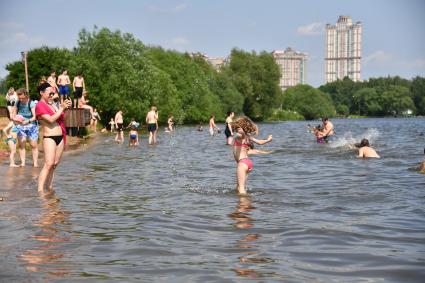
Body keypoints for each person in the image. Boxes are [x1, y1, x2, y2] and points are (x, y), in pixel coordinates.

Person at [35, 82, 71, 193]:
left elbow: (63, 119)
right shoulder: (39, 105)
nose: (51, 95)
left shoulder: (53, 105)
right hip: (49, 137)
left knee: (54, 165)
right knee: (49, 163)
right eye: (49, 93)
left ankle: (49, 188)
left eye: (53, 93)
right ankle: (40, 190)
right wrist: (61, 108)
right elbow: (50, 119)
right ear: (41, 93)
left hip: (60, 137)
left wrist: (66, 108)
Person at [232, 116, 273, 195]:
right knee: (239, 187)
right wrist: (268, 140)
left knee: (241, 188)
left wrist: (244, 131)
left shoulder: (240, 136)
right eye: (236, 127)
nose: (237, 129)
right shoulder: (248, 137)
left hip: (242, 163)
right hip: (247, 163)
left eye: (238, 127)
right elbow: (260, 142)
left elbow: (242, 133)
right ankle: (246, 205)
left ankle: (243, 205)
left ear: (243, 128)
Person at [12, 88, 39, 167]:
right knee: (21, 144)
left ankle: (35, 163)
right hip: (21, 126)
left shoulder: (31, 103)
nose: (20, 99)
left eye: (22, 98)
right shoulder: (17, 103)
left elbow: (35, 117)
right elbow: (14, 114)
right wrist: (15, 119)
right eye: (19, 98)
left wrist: (28, 121)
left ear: (26, 95)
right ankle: (23, 163)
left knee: (33, 145)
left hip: (32, 125)